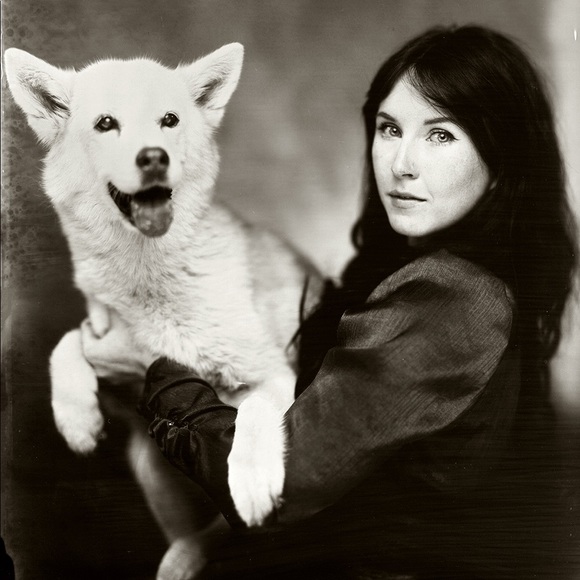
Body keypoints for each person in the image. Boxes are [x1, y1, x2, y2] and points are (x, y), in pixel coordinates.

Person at [82, 25, 577, 580]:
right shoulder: (424, 276)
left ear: (502, 161)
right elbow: (342, 455)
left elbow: (284, 480)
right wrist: (210, 541)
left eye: (441, 135)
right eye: (390, 129)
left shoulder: (453, 295)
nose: (402, 163)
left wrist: (154, 370)